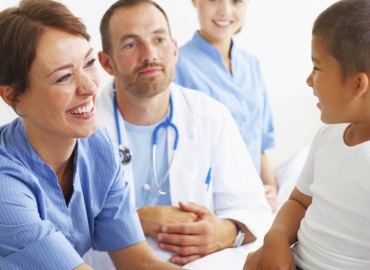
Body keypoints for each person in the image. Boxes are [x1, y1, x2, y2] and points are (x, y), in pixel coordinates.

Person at [83, 0, 272, 269]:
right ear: (106, 62)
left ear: (174, 50)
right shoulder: (80, 131)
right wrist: (137, 220)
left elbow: (255, 210)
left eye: (159, 39)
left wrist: (226, 232)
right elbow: (67, 233)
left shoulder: (211, 116)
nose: (149, 54)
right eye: (131, 44)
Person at [0, 1, 185, 269]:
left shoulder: (98, 146)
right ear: (13, 97)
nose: (89, 87)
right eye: (63, 77)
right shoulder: (5, 183)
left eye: (88, 63)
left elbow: (140, 263)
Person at [243, 0, 370, 269]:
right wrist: (275, 240)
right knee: (252, 261)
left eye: (318, 68)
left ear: (358, 84)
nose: (309, 80)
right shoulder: (328, 137)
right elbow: (299, 201)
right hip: (295, 259)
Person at [174, 0, 279, 212]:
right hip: (206, 203)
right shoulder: (177, 64)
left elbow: (259, 146)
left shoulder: (252, 64)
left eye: (236, 1)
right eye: (214, 0)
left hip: (256, 200)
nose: (225, 11)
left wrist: (271, 188)